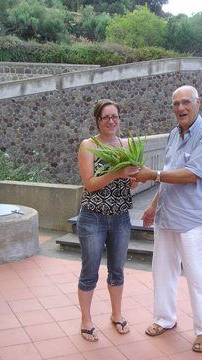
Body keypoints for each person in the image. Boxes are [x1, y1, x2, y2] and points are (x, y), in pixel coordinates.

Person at [134, 85, 202, 353]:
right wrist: (152, 205)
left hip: (194, 219)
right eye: (175, 104)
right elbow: (170, 174)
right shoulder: (174, 134)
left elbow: (190, 174)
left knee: (199, 277)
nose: (180, 108)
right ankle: (164, 318)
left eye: (185, 102)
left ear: (198, 103)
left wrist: (153, 174)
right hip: (167, 216)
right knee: (162, 272)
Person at [77, 99, 139, 342]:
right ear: (97, 121)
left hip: (121, 217)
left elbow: (130, 183)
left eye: (115, 116)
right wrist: (117, 173)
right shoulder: (88, 146)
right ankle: (86, 319)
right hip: (93, 218)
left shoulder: (126, 145)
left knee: (117, 270)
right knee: (89, 271)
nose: (112, 121)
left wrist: (135, 178)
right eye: (106, 117)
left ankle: (116, 314)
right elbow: (90, 185)